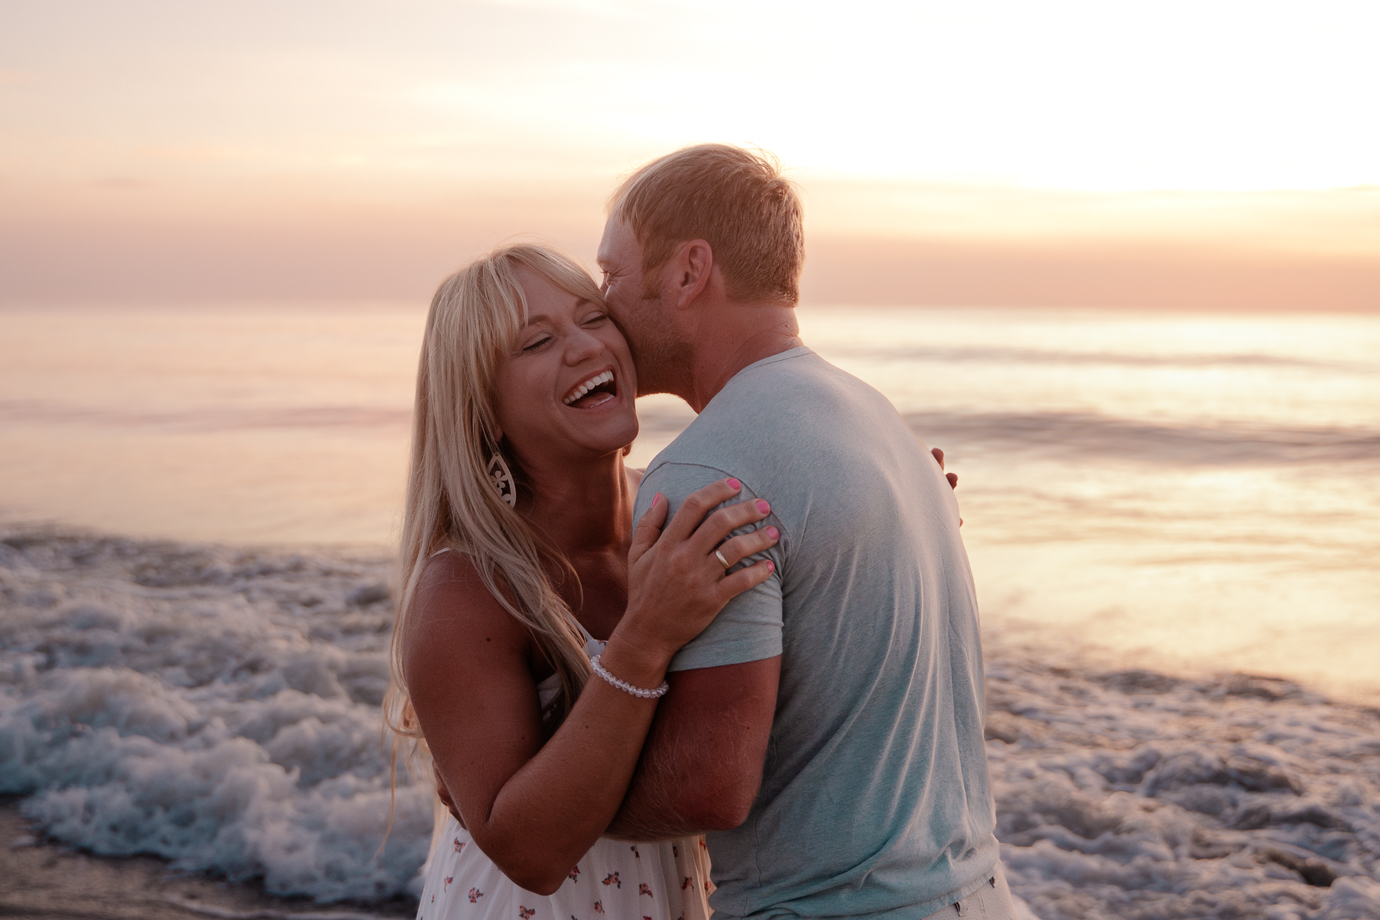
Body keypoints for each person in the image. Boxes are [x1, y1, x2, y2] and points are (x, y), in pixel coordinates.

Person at [592, 144, 1014, 920]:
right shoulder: (878, 421)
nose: (602, 305)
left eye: (612, 276)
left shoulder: (706, 472)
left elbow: (709, 785)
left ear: (688, 272)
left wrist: (537, 794)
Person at [386, 244, 782, 920]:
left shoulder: (681, 518)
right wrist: (645, 637)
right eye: (537, 340)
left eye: (594, 317)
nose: (584, 347)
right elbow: (531, 854)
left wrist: (888, 512)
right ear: (484, 408)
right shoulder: (466, 589)